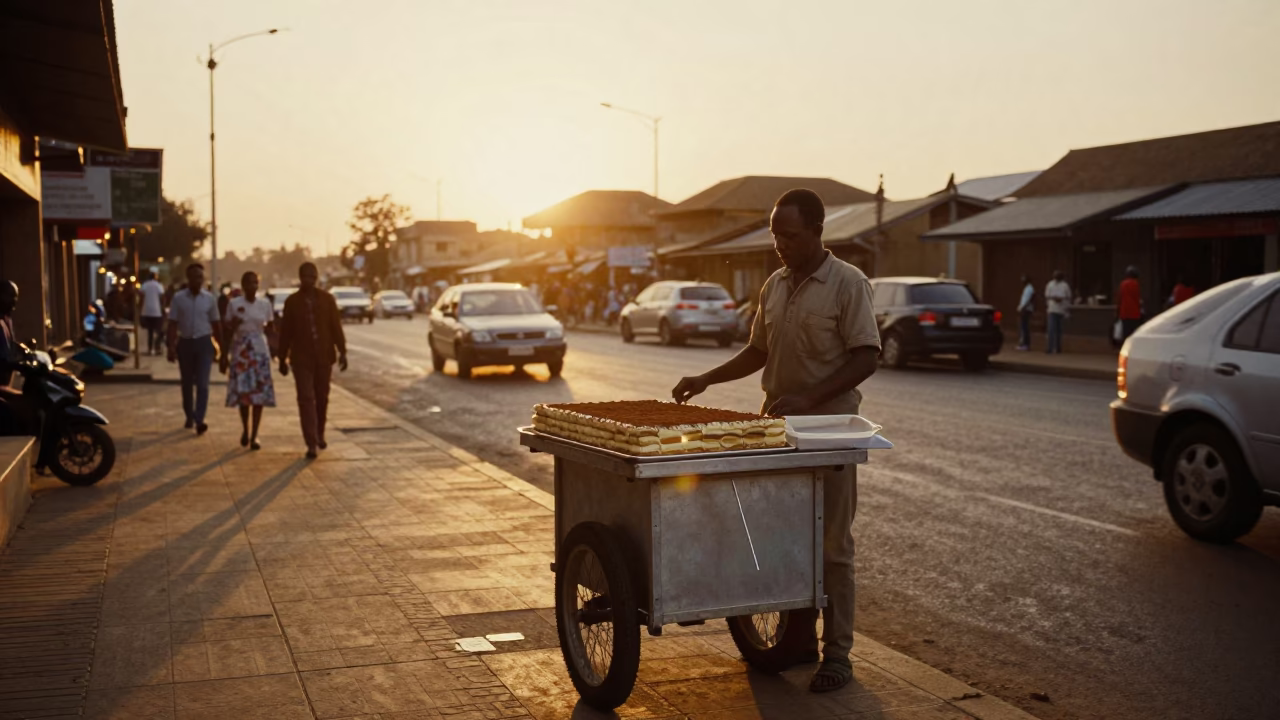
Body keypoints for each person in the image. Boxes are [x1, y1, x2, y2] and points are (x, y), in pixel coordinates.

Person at [672, 189, 880, 694]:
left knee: (832, 546)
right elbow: (757, 351)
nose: (780, 244)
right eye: (774, 234)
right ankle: (796, 641)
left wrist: (811, 399)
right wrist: (706, 379)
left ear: (817, 231)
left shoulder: (848, 284)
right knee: (782, 541)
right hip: (776, 429)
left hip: (828, 432)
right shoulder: (775, 284)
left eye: (789, 234)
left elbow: (866, 356)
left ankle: (838, 655)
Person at [277, 262, 347, 459]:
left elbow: (336, 327)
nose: (309, 280)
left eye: (312, 277)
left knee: (321, 397)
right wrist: (282, 358)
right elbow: (285, 333)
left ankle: (319, 433)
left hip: (324, 357)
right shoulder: (292, 302)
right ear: (300, 278)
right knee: (306, 399)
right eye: (306, 277)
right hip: (301, 359)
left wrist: (342, 351)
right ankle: (310, 442)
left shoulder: (327, 300)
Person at [221, 271, 276, 450]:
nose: (252, 286)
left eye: (255, 283)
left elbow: (270, 328)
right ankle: (245, 428)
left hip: (259, 350)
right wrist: (224, 354)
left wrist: (277, 352)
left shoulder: (264, 304)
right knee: (244, 394)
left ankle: (255, 434)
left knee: (258, 394)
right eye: (249, 283)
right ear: (243, 286)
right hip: (242, 351)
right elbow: (227, 329)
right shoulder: (234, 304)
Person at [166, 263, 222, 434]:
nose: (198, 280)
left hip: (204, 343)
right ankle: (189, 415)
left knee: (203, 384)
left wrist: (222, 349)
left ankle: (200, 419)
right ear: (188, 278)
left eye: (200, 277)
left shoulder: (210, 299)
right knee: (187, 383)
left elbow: (216, 324)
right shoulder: (179, 298)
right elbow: (173, 324)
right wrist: (170, 346)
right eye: (194, 277)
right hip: (186, 343)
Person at [1044, 270, 1071, 354]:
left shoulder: (1065, 286)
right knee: (1051, 329)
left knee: (1059, 330)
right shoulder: (1050, 284)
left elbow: (1068, 296)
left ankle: (1058, 348)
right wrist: (1054, 298)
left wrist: (1062, 300)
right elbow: (1047, 295)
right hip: (1052, 309)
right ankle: (1050, 348)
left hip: (1061, 309)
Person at [140, 271, 166, 355]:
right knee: (159, 331)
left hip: (146, 311)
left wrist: (140, 309)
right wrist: (163, 308)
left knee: (150, 332)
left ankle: (150, 349)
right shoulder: (158, 285)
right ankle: (157, 347)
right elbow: (162, 297)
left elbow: (141, 297)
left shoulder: (144, 285)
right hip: (156, 311)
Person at [1117, 266, 1143, 341]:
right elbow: (1137, 298)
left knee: (1126, 332)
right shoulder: (1135, 284)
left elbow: (1120, 298)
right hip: (1134, 313)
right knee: (1133, 332)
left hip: (1124, 312)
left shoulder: (1123, 284)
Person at [1016, 275, 1034, 351]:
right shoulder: (1026, 288)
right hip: (1024, 309)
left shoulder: (1029, 289)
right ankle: (1023, 343)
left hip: (1026, 310)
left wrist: (1022, 308)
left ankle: (1025, 344)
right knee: (1023, 326)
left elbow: (1027, 300)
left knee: (1024, 327)